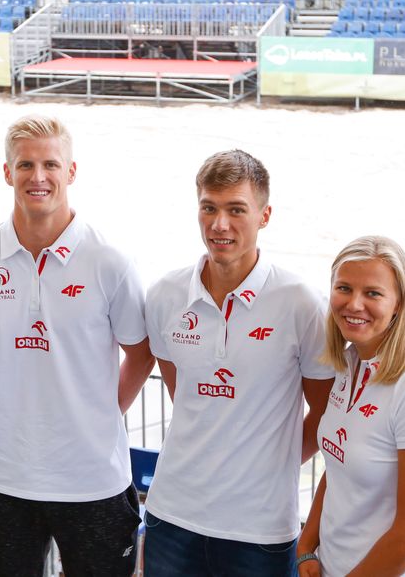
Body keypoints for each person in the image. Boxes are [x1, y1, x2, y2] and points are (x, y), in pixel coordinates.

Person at [0, 115, 155, 577]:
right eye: (25, 164)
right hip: (3, 475)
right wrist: (4, 390)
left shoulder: (111, 262)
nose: (37, 177)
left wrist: (103, 410)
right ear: (7, 172)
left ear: (71, 171)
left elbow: (140, 354)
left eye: (50, 164)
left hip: (93, 480)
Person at [142, 149, 335, 577]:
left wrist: (273, 462)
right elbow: (185, 396)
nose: (219, 224)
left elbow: (324, 414)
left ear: (264, 216)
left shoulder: (301, 304)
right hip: (171, 515)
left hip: (260, 530)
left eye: (236, 210)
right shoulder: (165, 295)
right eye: (208, 208)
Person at [296, 236, 405, 577]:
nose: (354, 304)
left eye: (373, 293)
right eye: (344, 288)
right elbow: (339, 468)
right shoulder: (348, 364)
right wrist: (306, 548)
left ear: (399, 303)